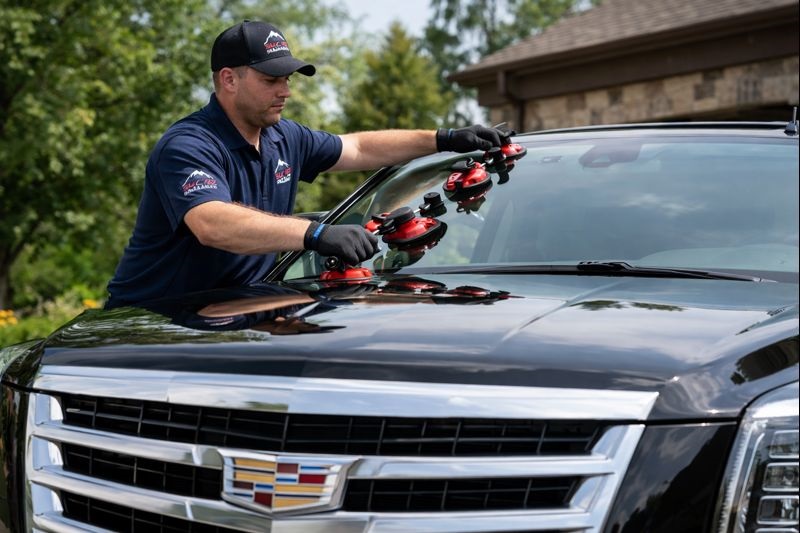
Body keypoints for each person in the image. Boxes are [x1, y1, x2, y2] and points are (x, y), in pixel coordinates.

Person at [105, 20, 503, 309]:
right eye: (271, 80)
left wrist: (443, 139)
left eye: (289, 79)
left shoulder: (284, 137)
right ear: (229, 80)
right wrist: (315, 234)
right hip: (154, 321)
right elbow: (212, 223)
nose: (286, 91)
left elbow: (359, 148)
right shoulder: (189, 145)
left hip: (237, 313)